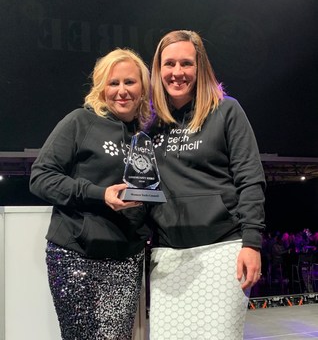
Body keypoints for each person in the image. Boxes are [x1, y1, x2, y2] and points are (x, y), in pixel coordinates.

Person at [148, 30, 266, 339]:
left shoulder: (227, 111)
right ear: (158, 69)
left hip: (224, 250)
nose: (177, 72)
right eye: (169, 64)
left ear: (200, 68)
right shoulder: (149, 124)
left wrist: (251, 243)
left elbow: (250, 179)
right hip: (168, 256)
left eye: (186, 63)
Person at [29, 48, 152, 340]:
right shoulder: (79, 122)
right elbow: (41, 177)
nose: (121, 91)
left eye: (130, 82)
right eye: (113, 83)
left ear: (143, 88)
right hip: (76, 256)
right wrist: (100, 194)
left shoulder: (146, 135)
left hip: (127, 258)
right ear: (101, 88)